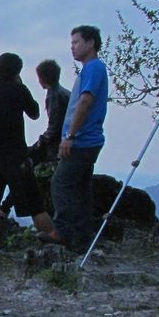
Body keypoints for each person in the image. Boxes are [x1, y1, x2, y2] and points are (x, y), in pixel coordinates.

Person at [0, 53, 61, 271]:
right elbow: (35, 113)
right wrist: (20, 85)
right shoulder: (18, 90)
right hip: (16, 158)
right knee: (35, 205)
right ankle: (56, 241)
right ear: (17, 72)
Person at [45, 25, 108, 250]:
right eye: (71, 43)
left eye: (76, 42)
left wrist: (70, 135)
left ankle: (63, 232)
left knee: (61, 183)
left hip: (82, 140)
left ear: (90, 43)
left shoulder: (93, 69)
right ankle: (81, 239)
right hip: (88, 140)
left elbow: (85, 102)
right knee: (80, 190)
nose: (72, 47)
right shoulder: (93, 69)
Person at [0, 59, 71, 217]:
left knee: (24, 166)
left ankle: (5, 208)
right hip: (63, 142)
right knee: (24, 165)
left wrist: (41, 142)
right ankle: (5, 208)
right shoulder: (63, 92)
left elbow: (54, 128)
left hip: (55, 146)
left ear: (42, 78)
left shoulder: (54, 95)